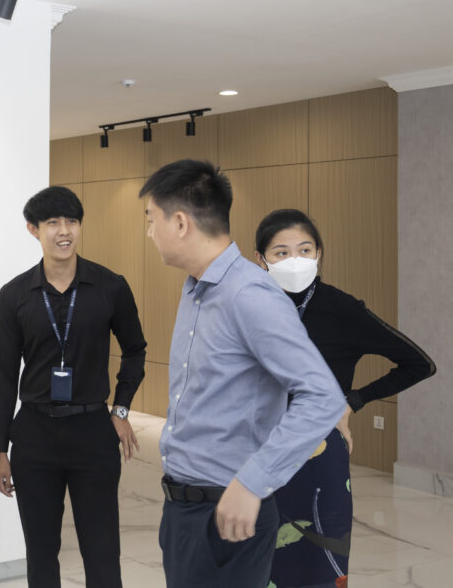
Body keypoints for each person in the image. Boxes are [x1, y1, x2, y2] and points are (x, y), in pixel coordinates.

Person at [139, 160, 346, 588]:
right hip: (184, 509)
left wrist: (253, 482)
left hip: (228, 515)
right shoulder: (196, 289)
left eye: (151, 219)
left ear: (180, 223)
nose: (149, 232)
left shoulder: (249, 293)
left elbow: (322, 396)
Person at [254, 208, 436, 588]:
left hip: (318, 457)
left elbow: (419, 364)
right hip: (254, 450)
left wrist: (352, 401)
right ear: (261, 259)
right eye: (281, 252)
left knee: (319, 564)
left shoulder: (342, 309)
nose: (295, 260)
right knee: (255, 564)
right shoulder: (247, 307)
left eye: (304, 250)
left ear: (319, 253)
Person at [0, 186, 147, 587]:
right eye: (53, 223)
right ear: (33, 229)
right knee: (41, 551)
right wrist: (0, 451)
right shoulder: (13, 296)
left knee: (102, 548)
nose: (64, 231)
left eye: (72, 221)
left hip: (92, 431)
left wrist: (121, 409)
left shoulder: (110, 287)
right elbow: (3, 377)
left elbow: (135, 350)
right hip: (35, 435)